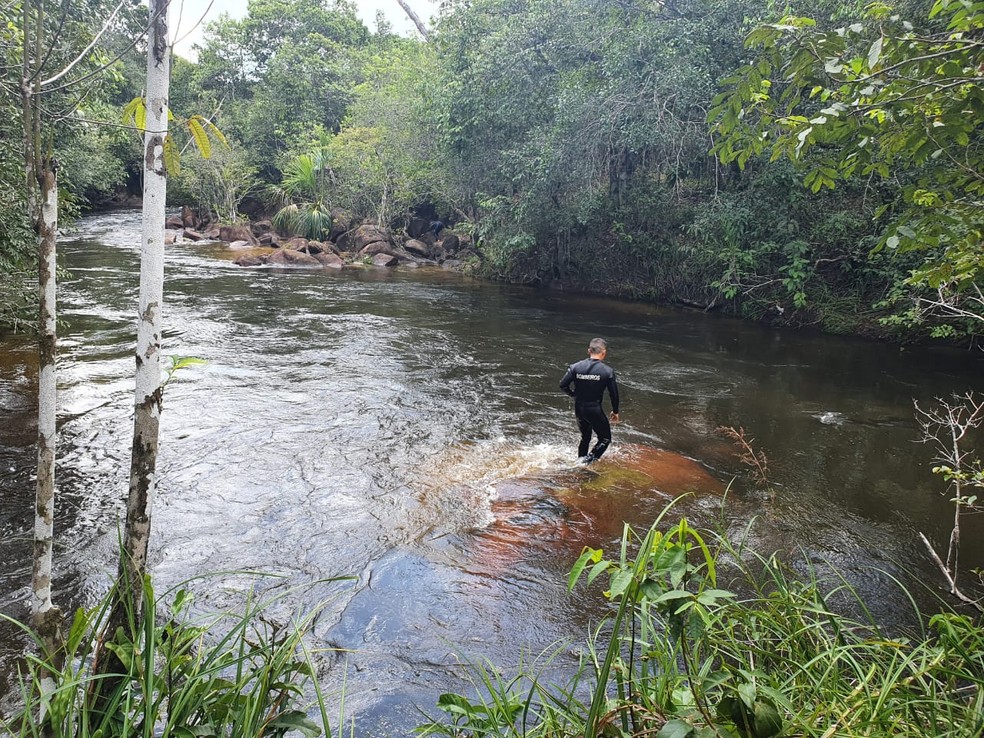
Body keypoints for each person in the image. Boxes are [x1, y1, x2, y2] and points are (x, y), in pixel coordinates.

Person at [559, 337, 620, 464]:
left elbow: (563, 385)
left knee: (585, 437)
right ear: (604, 353)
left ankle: (580, 460)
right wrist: (615, 411)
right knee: (605, 439)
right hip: (594, 409)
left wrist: (574, 395)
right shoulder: (607, 371)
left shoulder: (575, 367)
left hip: (579, 408)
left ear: (589, 350)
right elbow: (614, 394)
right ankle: (586, 463)